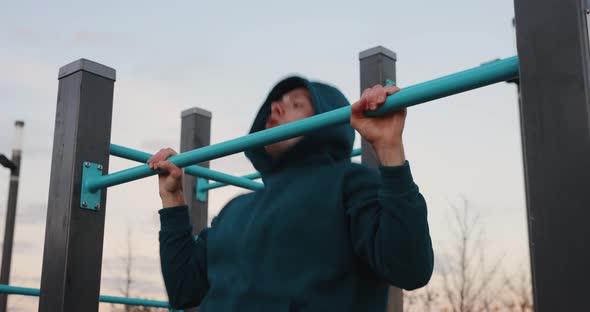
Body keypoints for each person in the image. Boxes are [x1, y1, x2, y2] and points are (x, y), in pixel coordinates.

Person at [148, 76, 433, 311]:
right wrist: (172, 199)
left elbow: (410, 268)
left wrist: (389, 148)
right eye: (276, 105)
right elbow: (184, 289)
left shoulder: (349, 183)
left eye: (296, 104)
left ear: (327, 122)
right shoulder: (236, 209)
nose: (276, 109)